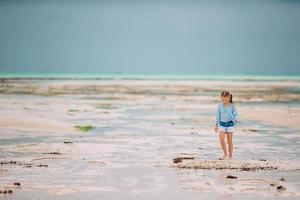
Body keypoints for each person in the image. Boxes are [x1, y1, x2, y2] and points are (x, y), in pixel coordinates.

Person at [214, 90, 239, 160]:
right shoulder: (219, 105)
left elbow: (235, 114)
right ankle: (225, 153)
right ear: (221, 98)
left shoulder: (232, 106)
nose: (224, 101)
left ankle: (230, 156)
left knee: (229, 141)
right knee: (221, 139)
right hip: (222, 124)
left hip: (230, 124)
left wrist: (237, 119)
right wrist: (216, 125)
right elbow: (218, 115)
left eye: (225, 100)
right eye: (223, 100)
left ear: (229, 98)